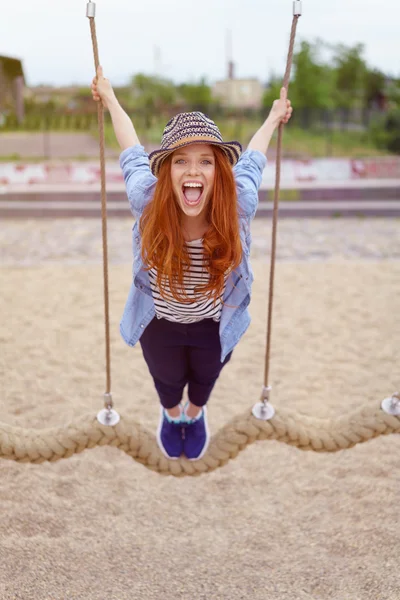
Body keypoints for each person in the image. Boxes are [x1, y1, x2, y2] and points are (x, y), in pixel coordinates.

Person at [91, 66, 292, 461]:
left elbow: (252, 160)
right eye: (181, 161)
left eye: (205, 161)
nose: (193, 171)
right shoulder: (147, 201)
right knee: (167, 382)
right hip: (159, 322)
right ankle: (171, 416)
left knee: (204, 380)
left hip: (213, 323)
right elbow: (131, 151)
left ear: (219, 171)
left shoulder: (238, 206)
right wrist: (111, 98)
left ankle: (195, 415)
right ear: (167, 172)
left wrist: (272, 117)